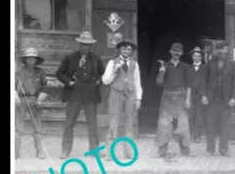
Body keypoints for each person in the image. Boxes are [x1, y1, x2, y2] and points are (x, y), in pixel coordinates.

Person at [56, 31, 105, 159]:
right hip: (74, 93)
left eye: (88, 45)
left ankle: (94, 150)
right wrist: (69, 82)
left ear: (91, 46)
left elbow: (103, 73)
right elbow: (59, 73)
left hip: (91, 93)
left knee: (92, 123)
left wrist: (98, 82)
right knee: (69, 122)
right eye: (83, 44)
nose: (86, 47)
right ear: (79, 44)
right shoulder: (70, 58)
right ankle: (65, 150)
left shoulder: (96, 58)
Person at [102, 39, 142, 159]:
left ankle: (128, 151)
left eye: (129, 49)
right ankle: (109, 151)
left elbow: (137, 82)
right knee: (113, 121)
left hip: (130, 94)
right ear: (120, 49)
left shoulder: (135, 64)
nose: (126, 51)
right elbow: (105, 81)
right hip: (116, 93)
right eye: (124, 48)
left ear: (131, 51)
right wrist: (114, 72)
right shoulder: (112, 62)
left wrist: (139, 98)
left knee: (130, 122)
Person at [155, 43, 191, 158]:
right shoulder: (165, 65)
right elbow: (159, 83)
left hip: (181, 96)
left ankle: (185, 150)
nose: (176, 53)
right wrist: (161, 72)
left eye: (179, 51)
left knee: (183, 125)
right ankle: (162, 151)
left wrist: (188, 99)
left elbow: (189, 84)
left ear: (181, 53)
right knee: (163, 125)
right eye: (174, 51)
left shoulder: (185, 66)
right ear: (170, 52)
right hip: (167, 97)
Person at [201, 43, 235, 157]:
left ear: (226, 51)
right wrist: (204, 95)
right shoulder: (209, 64)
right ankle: (210, 150)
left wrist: (233, 97)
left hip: (225, 101)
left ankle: (224, 149)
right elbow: (203, 81)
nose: (221, 52)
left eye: (223, 50)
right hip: (212, 100)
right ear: (216, 51)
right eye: (219, 50)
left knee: (225, 126)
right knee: (211, 125)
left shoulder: (231, 65)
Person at [15, 47, 49, 159]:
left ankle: (39, 151)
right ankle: (15, 151)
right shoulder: (19, 71)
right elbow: (13, 86)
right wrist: (16, 98)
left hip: (35, 100)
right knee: (18, 128)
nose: (31, 60)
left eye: (33, 58)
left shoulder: (40, 72)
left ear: (36, 60)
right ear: (25, 59)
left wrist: (40, 99)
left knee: (37, 128)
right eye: (28, 58)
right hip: (21, 100)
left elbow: (45, 87)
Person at [186, 46, 209, 142]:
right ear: (192, 57)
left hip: (201, 95)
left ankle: (198, 135)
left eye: (198, 56)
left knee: (200, 116)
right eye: (194, 56)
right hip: (191, 95)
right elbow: (187, 83)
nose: (196, 58)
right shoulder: (188, 68)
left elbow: (207, 82)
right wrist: (187, 98)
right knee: (191, 115)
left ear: (201, 57)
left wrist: (205, 95)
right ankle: (191, 134)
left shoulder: (205, 68)